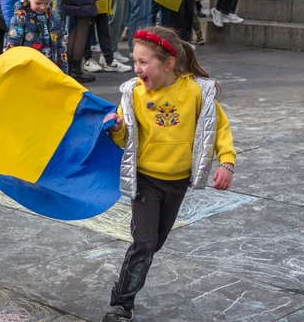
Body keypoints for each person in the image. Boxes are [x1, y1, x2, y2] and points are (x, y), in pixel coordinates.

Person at [101, 26, 235, 322]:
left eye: (144, 62)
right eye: (135, 61)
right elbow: (124, 139)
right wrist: (117, 128)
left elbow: (219, 128)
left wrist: (226, 161)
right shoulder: (133, 94)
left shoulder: (196, 92)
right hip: (145, 181)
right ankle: (121, 302)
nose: (137, 68)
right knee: (145, 243)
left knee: (154, 244)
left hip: (177, 183)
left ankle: (127, 289)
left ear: (169, 63)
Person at [4, 0, 67, 72]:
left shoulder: (55, 18)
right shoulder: (20, 18)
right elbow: (12, 46)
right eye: (38, 3)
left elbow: (60, 47)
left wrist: (63, 72)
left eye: (46, 3)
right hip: (29, 71)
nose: (42, 7)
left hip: (50, 68)